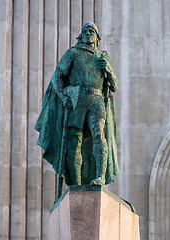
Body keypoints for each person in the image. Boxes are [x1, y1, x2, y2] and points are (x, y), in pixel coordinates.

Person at [34, 22, 118, 189]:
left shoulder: (102, 57)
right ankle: (77, 184)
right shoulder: (73, 53)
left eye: (92, 31)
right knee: (75, 142)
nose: (88, 33)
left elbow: (114, 85)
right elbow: (57, 77)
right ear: (81, 35)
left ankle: (99, 177)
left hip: (96, 101)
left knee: (99, 135)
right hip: (77, 101)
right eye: (85, 30)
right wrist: (63, 95)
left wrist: (108, 70)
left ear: (97, 37)